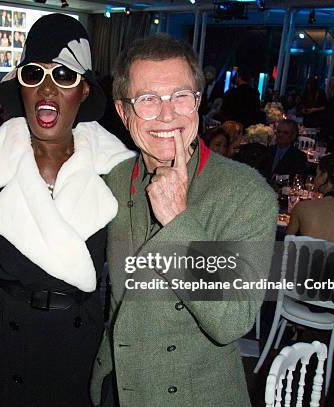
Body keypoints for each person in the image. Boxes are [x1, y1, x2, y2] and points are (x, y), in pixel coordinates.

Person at [90, 34, 277, 406]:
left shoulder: (246, 194)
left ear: (197, 102)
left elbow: (231, 321)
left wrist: (177, 221)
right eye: (148, 100)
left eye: (180, 96)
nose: (166, 114)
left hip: (189, 394)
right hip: (118, 382)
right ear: (124, 112)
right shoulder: (114, 179)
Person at [0, 14, 134, 407]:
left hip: (76, 340)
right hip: (3, 338)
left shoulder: (118, 170)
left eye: (64, 75)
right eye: (33, 75)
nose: (46, 89)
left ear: (85, 92)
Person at [286, 152, 334, 241]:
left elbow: (287, 249)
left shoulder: (302, 208)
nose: (315, 178)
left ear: (324, 176)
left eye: (317, 173)